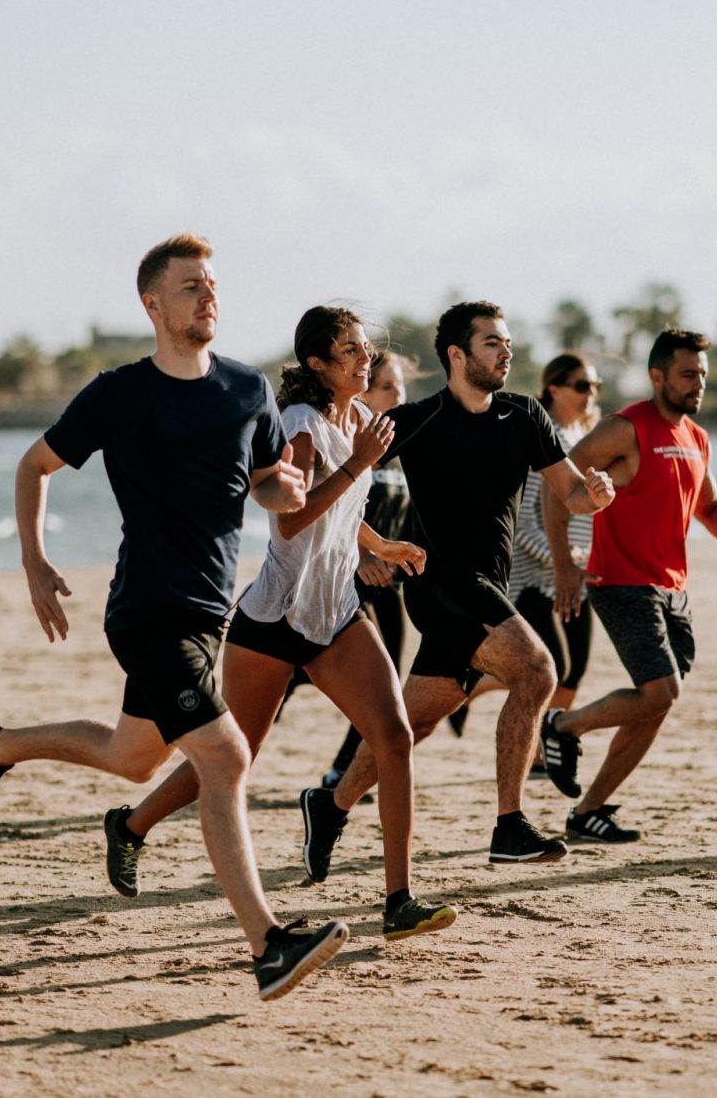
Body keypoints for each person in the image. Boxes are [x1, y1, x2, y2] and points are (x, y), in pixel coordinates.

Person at [0, 233, 348, 1001]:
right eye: (192, 286)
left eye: (213, 284)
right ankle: (268, 944)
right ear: (153, 304)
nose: (209, 296)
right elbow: (34, 465)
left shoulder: (246, 389)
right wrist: (33, 560)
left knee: (133, 758)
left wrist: (287, 492)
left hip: (208, 613)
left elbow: (268, 481)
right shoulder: (119, 393)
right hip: (145, 611)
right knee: (226, 757)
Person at [102, 307, 457, 942]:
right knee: (235, 755)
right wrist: (359, 464)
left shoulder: (357, 422)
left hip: (335, 613)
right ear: (319, 365)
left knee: (394, 736)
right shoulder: (300, 426)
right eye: (348, 350)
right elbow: (292, 520)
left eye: (364, 346)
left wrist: (381, 546)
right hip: (273, 618)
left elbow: (340, 514)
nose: (364, 356)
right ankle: (131, 826)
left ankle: (398, 900)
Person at [300, 301, 616, 876]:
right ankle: (509, 825)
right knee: (537, 670)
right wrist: (366, 551)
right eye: (492, 342)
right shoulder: (418, 419)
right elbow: (339, 484)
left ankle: (330, 804)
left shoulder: (524, 416)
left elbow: (571, 493)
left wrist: (595, 494)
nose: (506, 351)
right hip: (441, 581)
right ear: (457, 354)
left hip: (486, 585)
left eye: (506, 342)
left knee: (412, 724)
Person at [539, 328, 717, 843]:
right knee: (661, 690)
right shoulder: (623, 429)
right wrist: (563, 564)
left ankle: (588, 812)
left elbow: (709, 511)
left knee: (657, 702)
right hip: (621, 582)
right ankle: (563, 727)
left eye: (703, 376)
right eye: (688, 374)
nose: (698, 384)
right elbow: (555, 484)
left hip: (673, 589)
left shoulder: (696, 437)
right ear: (658, 377)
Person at [445, 353, 604, 751]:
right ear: (555, 388)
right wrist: (563, 561)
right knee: (552, 667)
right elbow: (523, 522)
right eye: (582, 386)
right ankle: (468, 690)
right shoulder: (543, 436)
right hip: (535, 578)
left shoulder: (580, 438)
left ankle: (541, 751)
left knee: (574, 670)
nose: (591, 394)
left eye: (596, 387)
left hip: (575, 572)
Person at [319, 348, 416, 789]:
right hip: (349, 582)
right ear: (365, 394)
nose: (399, 395)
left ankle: (342, 765)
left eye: (402, 386)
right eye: (387, 387)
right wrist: (362, 556)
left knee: (386, 682)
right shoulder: (351, 447)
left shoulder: (400, 451)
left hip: (389, 586)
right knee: (368, 683)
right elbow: (328, 509)